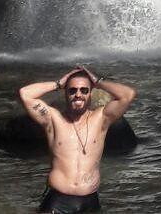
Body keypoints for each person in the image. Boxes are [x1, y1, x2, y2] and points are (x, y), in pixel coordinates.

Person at [18, 65, 136, 213]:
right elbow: (25, 94)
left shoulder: (101, 118)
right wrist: (58, 83)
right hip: (58, 202)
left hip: (90, 201)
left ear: (91, 92)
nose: (78, 94)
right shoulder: (53, 119)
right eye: (72, 90)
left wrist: (97, 81)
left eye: (84, 90)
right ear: (65, 93)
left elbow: (128, 95)